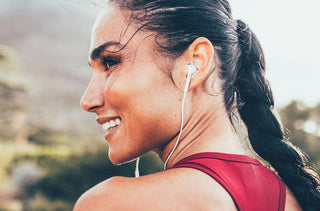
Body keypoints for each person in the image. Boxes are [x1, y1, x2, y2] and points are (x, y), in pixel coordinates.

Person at [74, 0, 320, 210]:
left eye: (110, 63)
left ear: (196, 62)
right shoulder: (294, 199)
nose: (88, 101)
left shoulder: (112, 203)